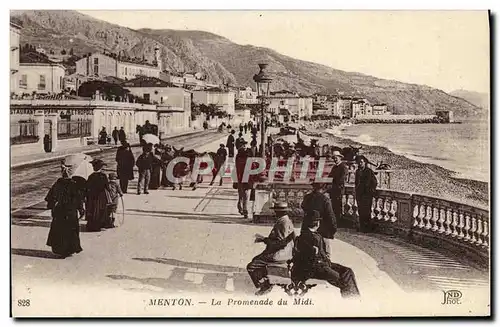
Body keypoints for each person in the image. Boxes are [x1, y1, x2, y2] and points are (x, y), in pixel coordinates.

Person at [291, 210, 360, 298]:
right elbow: (312, 259)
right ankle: (352, 300)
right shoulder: (309, 237)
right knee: (344, 280)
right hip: (314, 269)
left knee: (347, 271)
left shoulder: (311, 235)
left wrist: (326, 262)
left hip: (321, 265)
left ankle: (354, 298)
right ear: (317, 224)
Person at [247, 202, 296, 295]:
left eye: (275, 211)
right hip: (287, 252)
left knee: (252, 266)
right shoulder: (287, 220)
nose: (274, 213)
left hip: (279, 254)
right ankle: (269, 279)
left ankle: (265, 285)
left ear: (279, 212)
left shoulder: (282, 222)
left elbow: (280, 243)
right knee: (258, 259)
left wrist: (264, 239)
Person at [44, 163, 85, 258]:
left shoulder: (57, 183)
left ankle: (60, 249)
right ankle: (69, 249)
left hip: (59, 211)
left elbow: (50, 197)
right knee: (70, 230)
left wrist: (51, 206)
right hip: (70, 211)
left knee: (59, 230)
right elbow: (78, 199)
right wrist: (81, 209)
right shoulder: (74, 185)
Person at [301, 181, 337, 261]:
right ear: (323, 187)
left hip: (307, 228)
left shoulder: (307, 197)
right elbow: (331, 216)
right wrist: (333, 229)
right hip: (322, 230)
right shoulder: (325, 199)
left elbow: (303, 206)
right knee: (325, 255)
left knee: (307, 252)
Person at [355, 155, 378, 233]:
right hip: (359, 195)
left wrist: (370, 191)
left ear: (365, 162)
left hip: (367, 195)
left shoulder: (369, 171)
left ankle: (367, 228)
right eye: (358, 162)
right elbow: (356, 183)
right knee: (360, 211)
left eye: (361, 162)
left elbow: (375, 182)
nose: (360, 163)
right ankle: (362, 227)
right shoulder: (357, 171)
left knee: (367, 211)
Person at [85, 159, 110, 232]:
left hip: (92, 196)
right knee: (100, 210)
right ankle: (100, 225)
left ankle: (92, 225)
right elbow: (107, 187)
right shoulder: (103, 176)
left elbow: (87, 187)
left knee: (92, 209)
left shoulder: (91, 176)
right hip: (101, 196)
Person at [327, 151, 349, 228]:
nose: (335, 159)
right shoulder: (334, 167)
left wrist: (333, 183)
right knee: (333, 206)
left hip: (339, 190)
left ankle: (338, 223)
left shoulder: (343, 167)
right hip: (333, 190)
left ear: (340, 158)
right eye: (334, 158)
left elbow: (342, 180)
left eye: (336, 158)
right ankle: (335, 222)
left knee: (338, 207)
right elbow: (330, 177)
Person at [235, 144, 250, 218]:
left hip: (240, 180)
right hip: (244, 180)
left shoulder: (238, 159)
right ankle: (244, 210)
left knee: (241, 195)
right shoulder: (246, 160)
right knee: (245, 195)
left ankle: (242, 208)